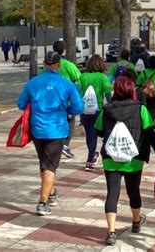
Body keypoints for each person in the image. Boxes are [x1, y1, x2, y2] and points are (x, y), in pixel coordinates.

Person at [95, 77, 155, 246]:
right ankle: (135, 222)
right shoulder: (141, 109)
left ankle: (111, 232)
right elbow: (149, 132)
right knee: (134, 191)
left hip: (111, 158)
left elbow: (99, 131)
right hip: (134, 158)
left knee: (113, 193)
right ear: (132, 90)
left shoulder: (107, 110)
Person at [17, 51, 84, 216]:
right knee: (50, 166)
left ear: (45, 64)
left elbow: (20, 103)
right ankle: (42, 203)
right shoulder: (66, 84)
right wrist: (67, 109)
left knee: (44, 163)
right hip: (57, 128)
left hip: (38, 129)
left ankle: (52, 192)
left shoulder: (33, 82)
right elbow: (78, 107)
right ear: (58, 64)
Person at [77, 55, 112, 171]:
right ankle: (90, 159)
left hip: (84, 110)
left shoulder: (82, 77)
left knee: (89, 135)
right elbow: (108, 96)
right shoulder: (103, 78)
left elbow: (77, 92)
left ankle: (92, 155)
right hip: (98, 110)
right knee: (94, 134)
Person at [52, 40, 81, 159]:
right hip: (67, 101)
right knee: (70, 123)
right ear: (65, 50)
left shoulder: (49, 66)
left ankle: (56, 145)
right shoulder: (69, 65)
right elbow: (79, 80)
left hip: (53, 101)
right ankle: (65, 145)